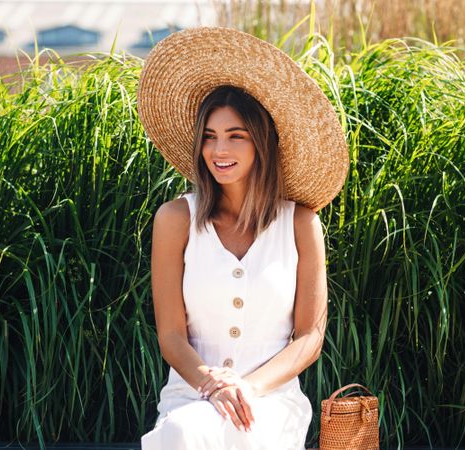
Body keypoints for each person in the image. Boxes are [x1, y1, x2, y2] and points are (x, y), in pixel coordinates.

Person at [136, 27, 349, 450]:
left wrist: (247, 388)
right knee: (183, 432)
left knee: (249, 439)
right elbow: (171, 336)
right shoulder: (175, 219)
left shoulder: (301, 224)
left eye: (236, 136)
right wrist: (213, 385)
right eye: (210, 137)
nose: (219, 150)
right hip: (192, 395)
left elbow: (309, 338)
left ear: (261, 143)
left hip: (271, 400)